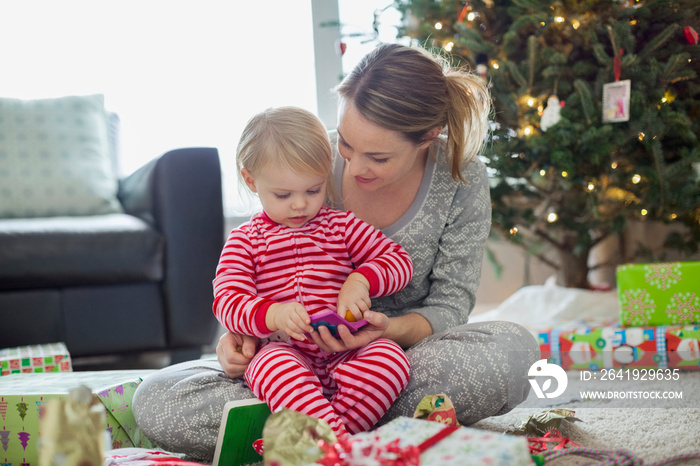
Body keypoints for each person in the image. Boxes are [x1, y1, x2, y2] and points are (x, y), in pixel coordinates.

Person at [132, 43, 540, 462]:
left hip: (392, 357)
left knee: (514, 352)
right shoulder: (308, 159)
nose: (352, 166)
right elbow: (240, 285)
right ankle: (365, 435)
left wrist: (386, 327)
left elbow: (449, 305)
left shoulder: (462, 179)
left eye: (378, 157)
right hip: (287, 358)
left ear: (427, 137)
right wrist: (240, 340)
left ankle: (306, 434)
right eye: (346, 144)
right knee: (156, 399)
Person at [214, 106, 413, 439]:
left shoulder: (341, 226)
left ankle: (329, 445)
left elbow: (397, 260)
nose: (300, 205)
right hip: (284, 353)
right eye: (283, 194)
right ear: (251, 180)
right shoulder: (245, 239)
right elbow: (227, 299)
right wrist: (273, 314)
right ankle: (339, 447)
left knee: (391, 357)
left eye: (313, 190)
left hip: (348, 350)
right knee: (271, 368)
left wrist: (360, 280)